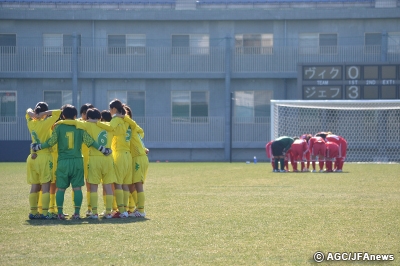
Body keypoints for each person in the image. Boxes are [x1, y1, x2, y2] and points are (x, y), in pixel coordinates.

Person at [31, 104, 111, 220]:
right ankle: (77, 213)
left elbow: (51, 142)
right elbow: (90, 141)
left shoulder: (58, 127)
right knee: (77, 188)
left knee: (61, 188)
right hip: (77, 161)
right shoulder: (79, 127)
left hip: (63, 161)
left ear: (63, 115)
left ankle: (59, 213)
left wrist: (38, 147)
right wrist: (103, 150)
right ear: (75, 116)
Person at [26, 102, 62, 220]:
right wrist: (45, 113)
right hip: (44, 156)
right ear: (44, 113)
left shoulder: (31, 123)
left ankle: (33, 212)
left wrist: (32, 113)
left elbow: (28, 111)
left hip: (32, 157)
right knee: (46, 185)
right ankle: (45, 213)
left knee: (35, 185)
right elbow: (59, 112)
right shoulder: (46, 123)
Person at [123, 105, 149, 218]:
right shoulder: (131, 127)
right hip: (137, 157)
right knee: (132, 184)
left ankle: (141, 210)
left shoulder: (132, 126)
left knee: (138, 184)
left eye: (125, 113)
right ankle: (135, 208)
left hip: (138, 158)